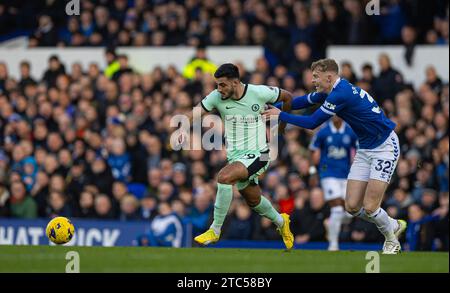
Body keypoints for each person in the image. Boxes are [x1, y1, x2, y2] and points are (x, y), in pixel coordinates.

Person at [264, 58, 407, 254]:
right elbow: (302, 101)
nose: (313, 80)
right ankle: (393, 224)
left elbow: (312, 122)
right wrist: (272, 106)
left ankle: (391, 240)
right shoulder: (332, 90)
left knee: (371, 206)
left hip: (385, 147)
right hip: (366, 148)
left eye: (316, 77)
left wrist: (279, 115)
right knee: (352, 207)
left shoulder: (340, 94)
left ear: (328, 77)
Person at [178, 63, 294, 249]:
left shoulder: (259, 92)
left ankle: (215, 230)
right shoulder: (217, 97)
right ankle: (282, 222)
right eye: (217, 85)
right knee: (253, 200)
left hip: (261, 153)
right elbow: (196, 112)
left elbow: (288, 97)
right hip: (237, 156)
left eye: (223, 85)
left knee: (224, 177)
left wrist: (281, 124)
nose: (219, 89)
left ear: (235, 82)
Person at [309, 116, 357, 250]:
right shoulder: (323, 131)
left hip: (346, 174)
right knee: (336, 207)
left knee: (348, 211)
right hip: (327, 173)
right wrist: (313, 171)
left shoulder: (350, 131)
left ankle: (331, 225)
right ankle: (333, 244)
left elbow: (359, 150)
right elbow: (313, 150)